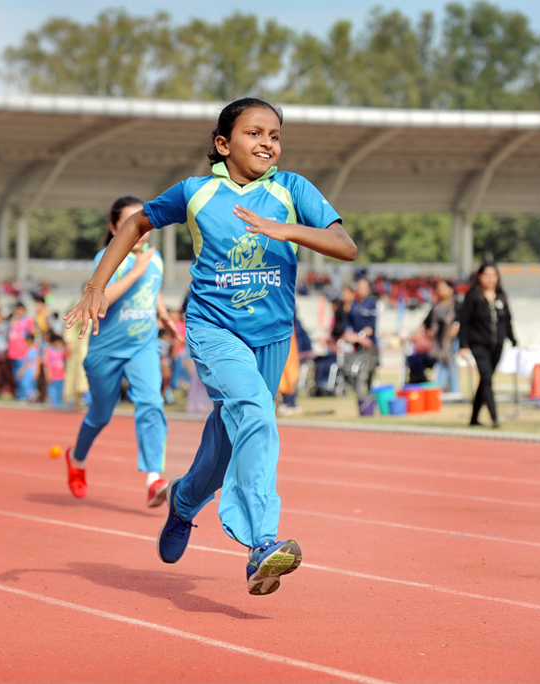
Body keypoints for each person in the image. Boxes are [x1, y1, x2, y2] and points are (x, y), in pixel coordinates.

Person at [64, 97, 358, 595]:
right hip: (213, 328)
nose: (267, 142)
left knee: (225, 445)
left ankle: (183, 502)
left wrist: (287, 230)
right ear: (223, 144)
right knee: (257, 413)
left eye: (275, 135)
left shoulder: (293, 190)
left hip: (272, 336)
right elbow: (138, 223)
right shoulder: (195, 193)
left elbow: (345, 246)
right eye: (254, 133)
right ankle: (262, 544)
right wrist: (96, 284)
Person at [62, 196, 180, 507]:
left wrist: (163, 314)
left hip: (142, 346)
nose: (139, 230)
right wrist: (135, 271)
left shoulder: (155, 259)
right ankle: (76, 458)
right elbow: (102, 298)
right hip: (105, 351)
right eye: (130, 223)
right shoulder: (108, 256)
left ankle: (154, 478)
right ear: (115, 227)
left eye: (143, 223)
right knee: (100, 416)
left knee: (152, 402)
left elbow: (151, 293)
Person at [458, 261, 516, 428]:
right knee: (487, 379)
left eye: (494, 276)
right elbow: (465, 321)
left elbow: (508, 320)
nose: (490, 279)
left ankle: (474, 418)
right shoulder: (473, 296)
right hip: (479, 344)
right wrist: (463, 344)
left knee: (485, 380)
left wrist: (513, 340)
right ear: (480, 277)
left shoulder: (501, 295)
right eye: (487, 276)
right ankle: (495, 417)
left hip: (497, 344)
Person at [424, 279, 461, 395]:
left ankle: (438, 390)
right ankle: (454, 390)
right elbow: (427, 321)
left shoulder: (457, 305)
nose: (441, 290)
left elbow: (461, 319)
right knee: (449, 364)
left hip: (452, 341)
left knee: (446, 363)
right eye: (439, 288)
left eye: (443, 288)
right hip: (439, 340)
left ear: (451, 290)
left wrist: (456, 327)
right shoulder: (436, 306)